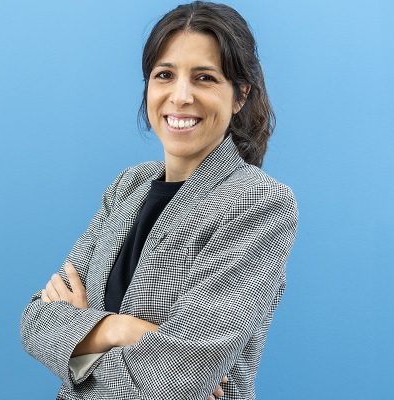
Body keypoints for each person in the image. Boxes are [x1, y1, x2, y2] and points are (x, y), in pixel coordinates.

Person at [19, 2, 298, 399]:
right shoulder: (128, 186)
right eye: (165, 75)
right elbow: (35, 322)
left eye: (204, 78)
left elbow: (179, 380)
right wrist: (119, 328)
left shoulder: (258, 202)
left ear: (240, 95)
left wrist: (79, 343)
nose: (180, 96)